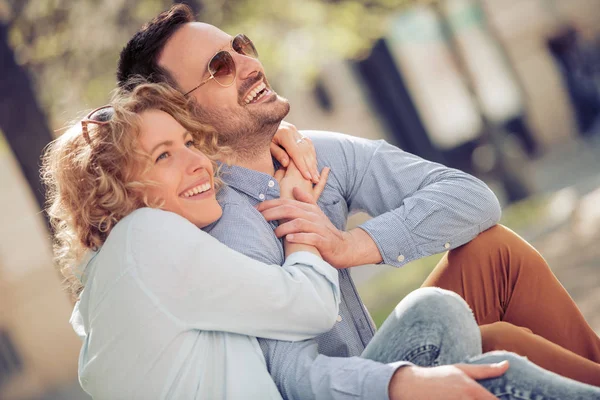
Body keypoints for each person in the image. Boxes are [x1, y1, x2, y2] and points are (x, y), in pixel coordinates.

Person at [115, 4, 600, 397]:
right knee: (491, 345)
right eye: (220, 67)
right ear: (178, 111)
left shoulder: (314, 154)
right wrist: (404, 381)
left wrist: (356, 244)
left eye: (240, 47)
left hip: (385, 355)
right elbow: (293, 379)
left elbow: (471, 198)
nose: (250, 65)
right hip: (354, 389)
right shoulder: (209, 223)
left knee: (495, 253)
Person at [42, 82, 340, 399]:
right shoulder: (146, 235)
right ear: (115, 191)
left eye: (189, 143)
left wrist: (267, 134)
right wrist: (297, 205)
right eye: (164, 155)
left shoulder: (107, 286)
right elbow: (313, 305)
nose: (199, 162)